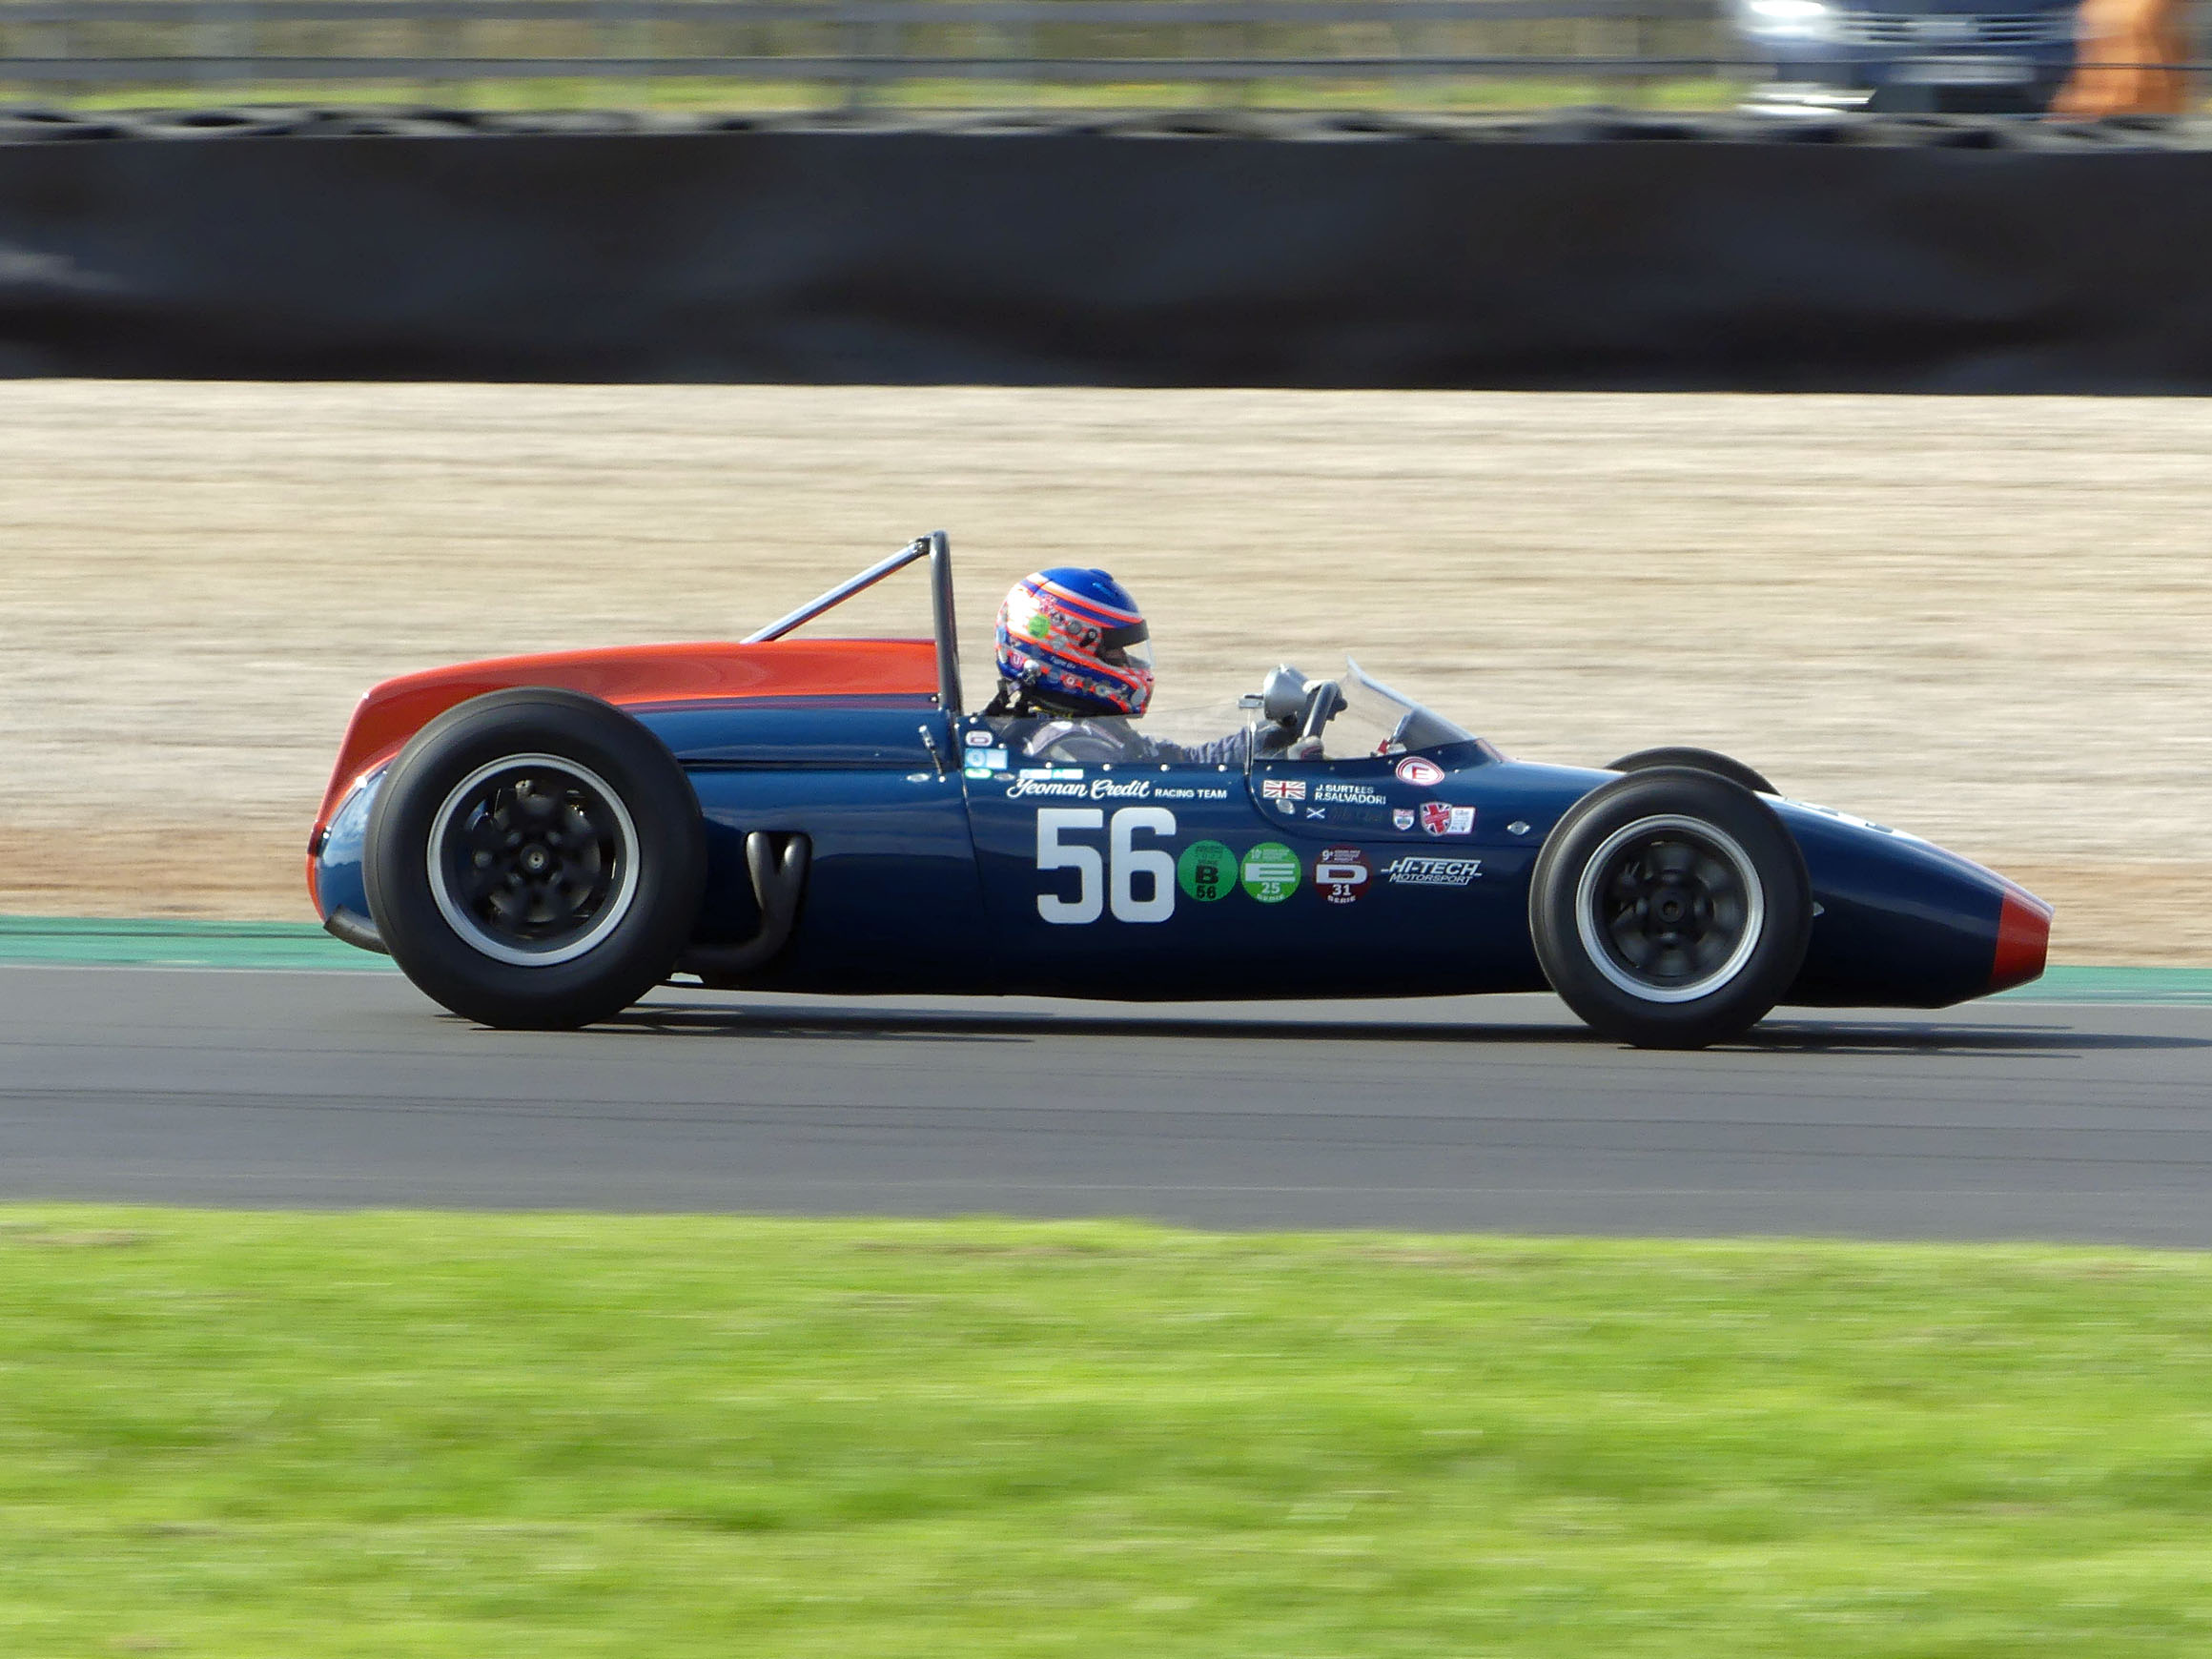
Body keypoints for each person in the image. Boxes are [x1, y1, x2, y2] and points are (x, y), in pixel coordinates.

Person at [983, 567, 1253, 767]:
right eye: (1115, 650)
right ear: (1066, 651)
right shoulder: (1073, 747)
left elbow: (1185, 762)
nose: (1127, 659)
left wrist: (1258, 738)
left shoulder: (1091, 729)